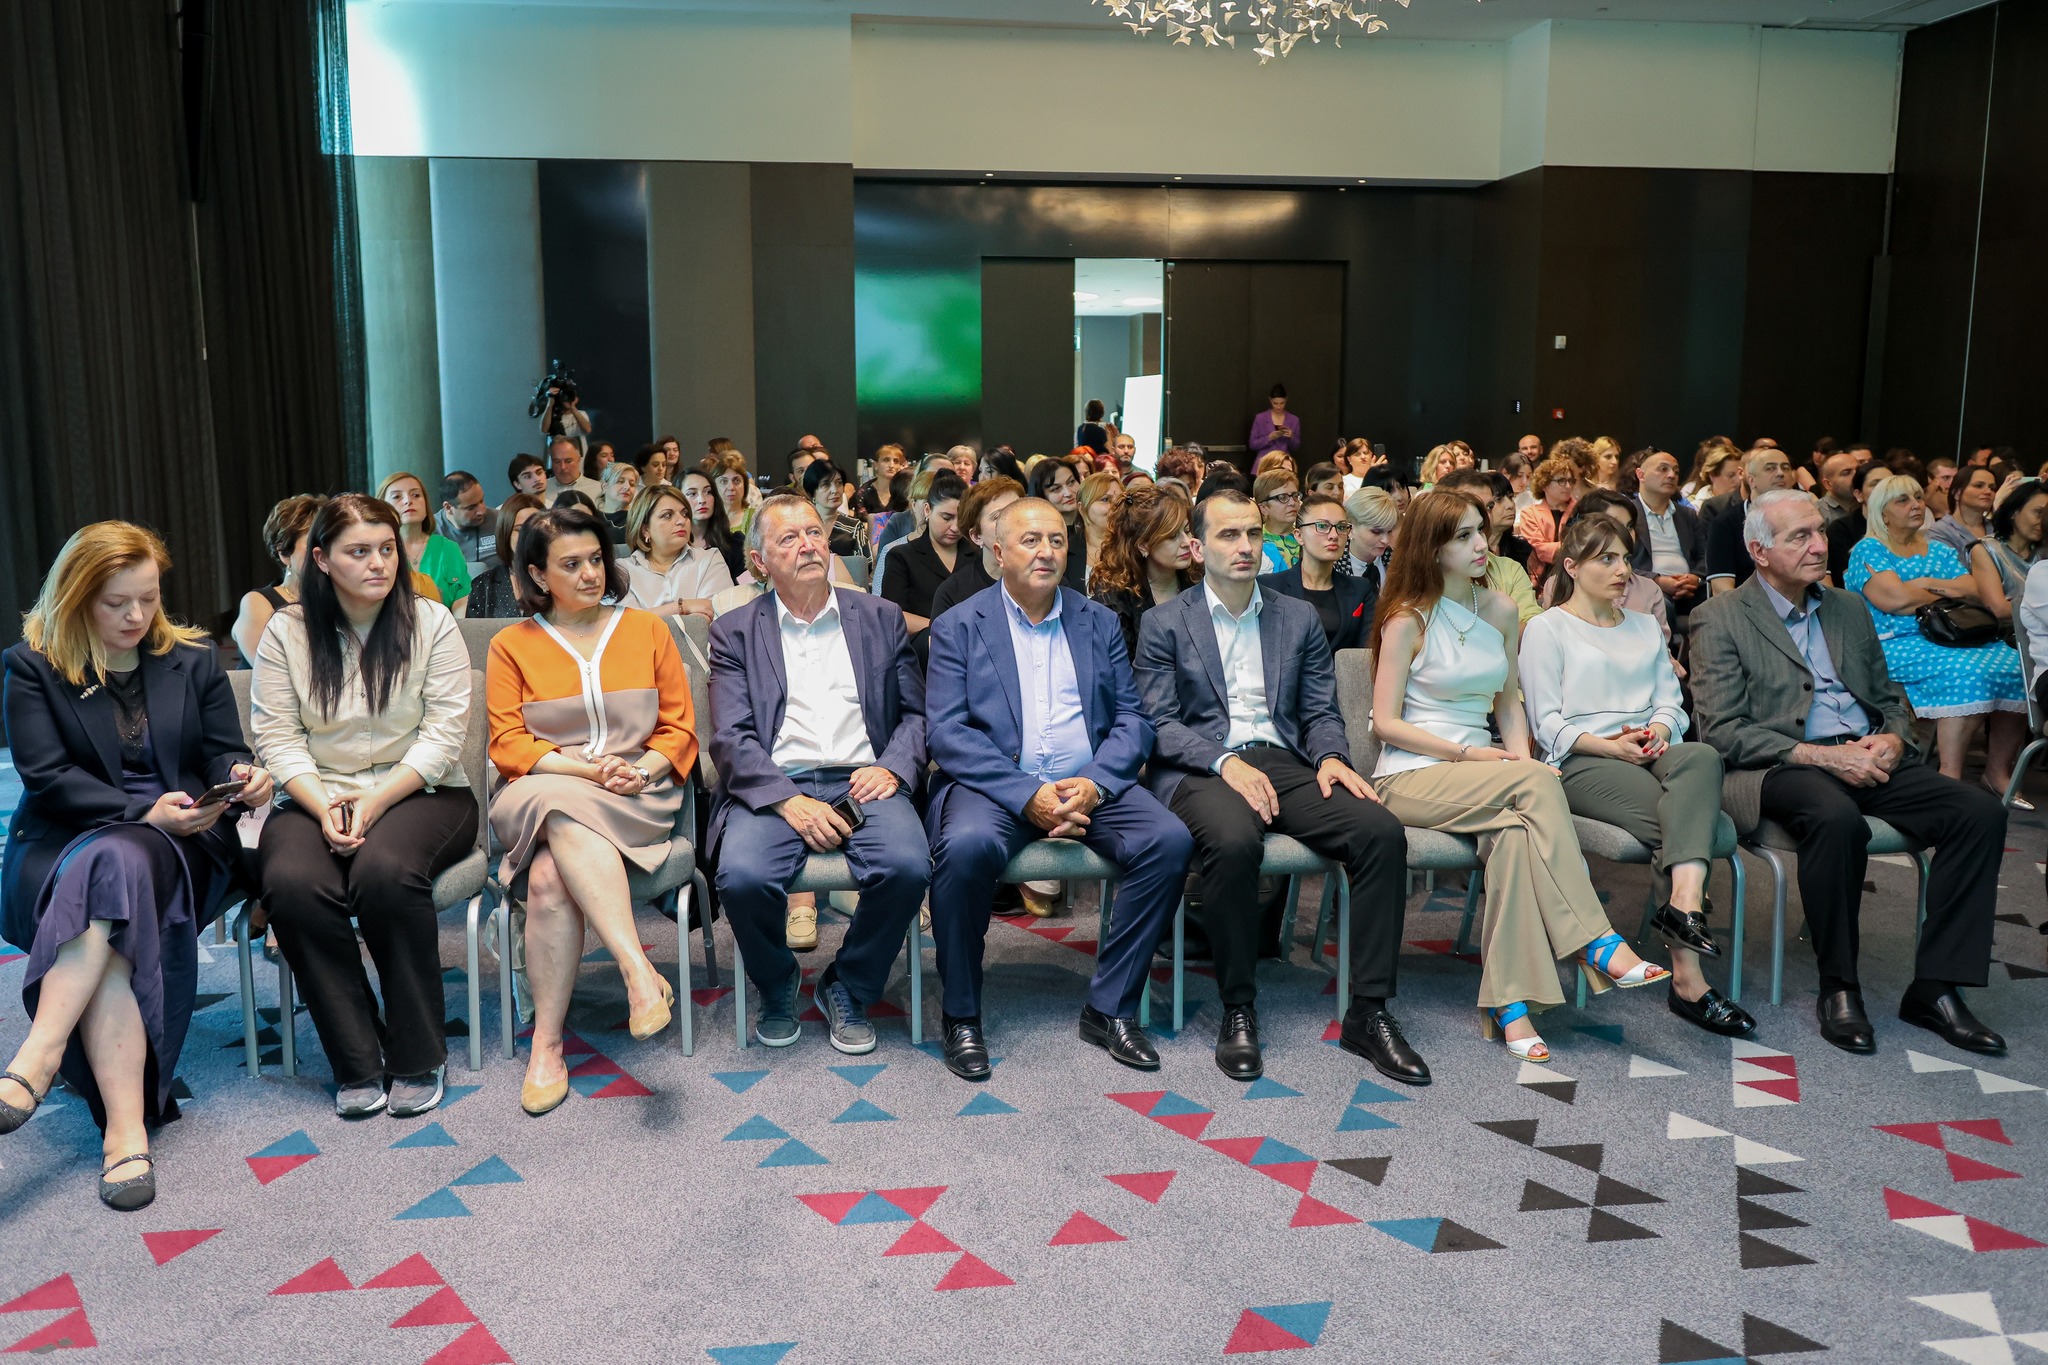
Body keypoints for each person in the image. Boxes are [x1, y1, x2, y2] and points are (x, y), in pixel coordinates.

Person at [1, 523, 271, 1210]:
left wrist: (241, 773)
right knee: (114, 884)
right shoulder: (33, 666)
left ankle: (39, 1056)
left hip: (185, 839)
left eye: (148, 598)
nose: (136, 616)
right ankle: (125, 1131)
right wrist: (138, 811)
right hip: (66, 838)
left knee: (117, 868)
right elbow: (48, 777)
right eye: (116, 602)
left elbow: (220, 749)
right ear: (75, 598)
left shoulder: (193, 658)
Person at [1689, 489, 2008, 1055]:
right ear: (1759, 552)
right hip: (1779, 763)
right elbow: (1722, 731)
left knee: (1978, 811)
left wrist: (1893, 737)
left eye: (1819, 531)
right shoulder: (1719, 617)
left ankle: (1936, 988)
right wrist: (1820, 755)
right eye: (1800, 537)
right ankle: (1839, 987)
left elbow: (1888, 699)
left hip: (1865, 753)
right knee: (1835, 818)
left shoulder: (1846, 607)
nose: (1820, 545)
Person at [1369, 492, 1667, 1064]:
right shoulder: (1407, 617)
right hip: (1410, 775)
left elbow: (1509, 703)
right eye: (1462, 536)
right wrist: (1475, 757)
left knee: (1514, 836)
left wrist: (1516, 760)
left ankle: (1509, 1006)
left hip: (1485, 774)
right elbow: (1385, 723)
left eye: (1480, 531)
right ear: (1431, 548)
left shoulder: (1502, 609)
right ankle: (1595, 939)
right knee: (1535, 783)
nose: (1481, 545)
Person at [1137, 491, 1422, 1084]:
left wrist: (1332, 757)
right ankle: (1238, 1007)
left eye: (1252, 533)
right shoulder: (1164, 622)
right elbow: (1159, 724)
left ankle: (1368, 1012)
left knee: (1379, 831)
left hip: (1284, 760)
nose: (1244, 546)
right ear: (1197, 547)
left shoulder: (1295, 617)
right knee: (1234, 841)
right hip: (1200, 767)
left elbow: (1319, 709)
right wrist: (1224, 762)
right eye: (1227, 535)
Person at [923, 498, 1193, 1080]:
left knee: (1168, 841)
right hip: (996, 786)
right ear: (999, 553)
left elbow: (1133, 719)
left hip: (1086, 781)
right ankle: (961, 1014)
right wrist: (1028, 795)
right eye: (1030, 541)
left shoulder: (1098, 621)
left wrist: (1094, 785)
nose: (1046, 551)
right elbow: (946, 732)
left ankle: (1111, 1008)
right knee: (965, 849)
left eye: (1056, 540)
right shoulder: (960, 625)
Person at [252, 495, 477, 1119]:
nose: (379, 563)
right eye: (359, 552)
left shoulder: (430, 621)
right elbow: (277, 738)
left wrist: (373, 802)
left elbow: (443, 736)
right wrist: (324, 805)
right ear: (322, 560)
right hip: (314, 791)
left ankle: (417, 1053)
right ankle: (356, 1057)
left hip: (423, 790)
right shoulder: (287, 631)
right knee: (290, 881)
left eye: (386, 549)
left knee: (384, 872)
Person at [485, 506, 698, 1114]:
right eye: (571, 564)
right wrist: (585, 772)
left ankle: (547, 1045)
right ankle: (637, 971)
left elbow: (679, 729)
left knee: (548, 879)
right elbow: (509, 745)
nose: (589, 574)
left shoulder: (647, 630)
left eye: (596, 560)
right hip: (543, 789)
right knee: (558, 805)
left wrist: (641, 771)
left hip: (638, 794)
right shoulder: (511, 645)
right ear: (537, 574)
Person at [708, 496, 930, 1053]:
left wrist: (893, 766)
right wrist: (787, 800)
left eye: (813, 532)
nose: (807, 545)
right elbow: (731, 736)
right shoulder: (735, 631)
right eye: (789, 538)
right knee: (742, 876)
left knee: (907, 867)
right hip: (775, 785)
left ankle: (848, 984)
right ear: (759, 561)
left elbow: (916, 715)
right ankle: (777, 980)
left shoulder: (879, 617)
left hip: (865, 779)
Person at [1519, 517, 1755, 1038]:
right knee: (1691, 826)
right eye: (1607, 559)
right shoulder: (1546, 628)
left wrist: (1656, 730)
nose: (1622, 570)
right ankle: (1689, 980)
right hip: (1581, 758)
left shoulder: (1644, 626)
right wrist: (1611, 746)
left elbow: (1672, 703)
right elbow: (1546, 723)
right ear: (1572, 566)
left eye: (1626, 558)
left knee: (1701, 756)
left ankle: (1683, 905)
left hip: (1650, 748)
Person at [1845, 476, 2025, 790]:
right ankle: (1949, 776)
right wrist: (1944, 591)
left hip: (1954, 636)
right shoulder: (1868, 550)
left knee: (2017, 667)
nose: (1916, 505)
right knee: (1966, 672)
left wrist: (1923, 585)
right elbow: (1895, 601)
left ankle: (1996, 772)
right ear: (1882, 513)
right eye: (1903, 500)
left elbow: (1973, 589)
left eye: (1918, 497)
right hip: (1896, 643)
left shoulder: (1938, 548)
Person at [1090, 484, 1199, 662]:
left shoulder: (1198, 578)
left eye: (1186, 530)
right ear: (1143, 545)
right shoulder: (1114, 598)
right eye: (1172, 536)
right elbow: (1119, 668)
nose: (1187, 542)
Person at [1260, 490, 1374, 652]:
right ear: (1299, 536)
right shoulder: (1270, 587)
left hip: (1344, 668)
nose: (1334, 535)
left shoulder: (1360, 589)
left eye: (1341, 527)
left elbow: (1365, 651)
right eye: (1322, 526)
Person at [232, 494, 326, 666]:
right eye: (313, 544)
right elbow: (271, 669)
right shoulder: (257, 603)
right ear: (284, 552)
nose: (323, 552)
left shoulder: (339, 597)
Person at [621, 484, 734, 622]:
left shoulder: (709, 559)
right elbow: (625, 624)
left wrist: (650, 615)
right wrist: (683, 606)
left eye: (685, 514)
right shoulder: (622, 570)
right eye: (667, 515)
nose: (681, 521)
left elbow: (719, 619)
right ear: (645, 529)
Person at [876, 469, 968, 631]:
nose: (955, 527)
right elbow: (892, 615)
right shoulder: (901, 557)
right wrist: (946, 631)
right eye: (946, 518)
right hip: (920, 642)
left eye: (962, 518)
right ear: (927, 510)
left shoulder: (978, 556)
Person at [930, 477, 1025, 627]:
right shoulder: (953, 593)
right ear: (976, 536)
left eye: (1019, 513)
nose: (1015, 523)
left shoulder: (1047, 579)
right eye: (998, 516)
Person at [1705, 447, 1795, 594]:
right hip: (1747, 603)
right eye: (1770, 468)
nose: (1780, 473)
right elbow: (1722, 589)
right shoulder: (1725, 523)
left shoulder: (1804, 519)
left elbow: (1822, 582)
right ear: (1751, 480)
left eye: (1786, 468)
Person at [1628, 448, 1706, 617]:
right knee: (1660, 604)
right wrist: (1656, 580)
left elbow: (1704, 556)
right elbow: (1621, 561)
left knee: (1719, 605)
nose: (1671, 475)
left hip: (1690, 588)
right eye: (1663, 469)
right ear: (1641, 475)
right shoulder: (1627, 513)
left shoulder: (1687, 515)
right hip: (1644, 587)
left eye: (1676, 471)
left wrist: (1696, 578)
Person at [380, 472, 470, 612]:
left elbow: (462, 602)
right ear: (382, 506)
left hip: (446, 624)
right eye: (397, 497)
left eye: (416, 495)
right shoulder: (378, 552)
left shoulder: (448, 548)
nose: (408, 501)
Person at [1969, 478, 2047, 625]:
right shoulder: (1985, 549)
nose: (2042, 522)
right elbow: (1998, 609)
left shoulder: (2043, 551)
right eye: (2038, 512)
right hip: (2006, 632)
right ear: (2014, 512)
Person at [466, 494, 545, 620]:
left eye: (535, 529)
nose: (528, 536)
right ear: (506, 532)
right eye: (519, 530)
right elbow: (475, 632)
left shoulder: (557, 579)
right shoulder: (483, 585)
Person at [1827, 460, 1892, 587]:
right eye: (1876, 484)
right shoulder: (1841, 530)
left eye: (1890, 484)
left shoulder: (1905, 527)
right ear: (1859, 494)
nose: (1884, 489)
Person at [1514, 455, 1577, 587]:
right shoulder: (1529, 513)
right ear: (1545, 484)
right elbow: (1538, 548)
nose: (1568, 486)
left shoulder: (1580, 510)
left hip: (1575, 578)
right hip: (1539, 581)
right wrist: (1573, 548)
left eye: (1571, 481)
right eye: (1561, 481)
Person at [1027, 456, 1089, 591]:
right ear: (1042, 496)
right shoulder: (1038, 540)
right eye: (1056, 489)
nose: (1068, 493)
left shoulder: (1093, 528)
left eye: (1071, 482)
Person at [803, 460, 869, 563]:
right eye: (826, 485)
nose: (835, 490)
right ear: (812, 493)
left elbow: (865, 566)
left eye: (839, 483)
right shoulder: (801, 525)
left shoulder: (853, 527)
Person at [1930, 464, 1999, 558]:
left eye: (1992, 488)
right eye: (1978, 486)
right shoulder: (1940, 532)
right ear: (1957, 493)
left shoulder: (1997, 529)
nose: (1988, 492)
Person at [1337, 486, 1398, 588]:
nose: (1386, 540)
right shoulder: (1332, 566)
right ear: (1350, 528)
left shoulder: (1397, 562)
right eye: (1376, 532)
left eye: (1389, 531)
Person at [1075, 470, 1124, 585]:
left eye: (1121, 500)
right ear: (1082, 508)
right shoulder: (1066, 549)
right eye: (1105, 500)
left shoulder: (1133, 548)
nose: (1116, 506)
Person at [1251, 469, 1302, 572]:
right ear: (1264, 508)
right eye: (1282, 497)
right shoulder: (1254, 541)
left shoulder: (1308, 537)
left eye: (1295, 496)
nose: (1292, 503)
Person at [435, 471, 491, 562]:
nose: (482, 511)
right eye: (471, 508)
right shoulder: (429, 532)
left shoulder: (500, 521)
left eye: (481, 501)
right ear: (448, 507)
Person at [855, 444, 910, 520]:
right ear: (876, 465)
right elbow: (862, 522)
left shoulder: (904, 491)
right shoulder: (863, 493)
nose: (891, 465)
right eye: (886, 460)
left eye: (896, 461)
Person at [545, 437, 603, 508]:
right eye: (557, 462)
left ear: (579, 458)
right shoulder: (542, 489)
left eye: (568, 461)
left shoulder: (598, 490)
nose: (563, 467)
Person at [1250, 384, 1300, 459]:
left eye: (1282, 403)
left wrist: (1292, 437)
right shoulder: (1260, 418)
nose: (1279, 407)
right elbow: (1252, 444)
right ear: (1270, 400)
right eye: (1275, 403)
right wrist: (1268, 438)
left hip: (1284, 460)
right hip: (1264, 460)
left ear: (1286, 400)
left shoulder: (1294, 420)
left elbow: (1295, 447)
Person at [712, 451, 756, 537]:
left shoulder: (755, 518)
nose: (731, 487)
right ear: (714, 486)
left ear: (745, 485)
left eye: (736, 480)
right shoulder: (708, 519)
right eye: (723, 481)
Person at [1816, 451, 1860, 527]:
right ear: (1828, 484)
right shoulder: (1818, 512)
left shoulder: (1869, 503)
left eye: (1858, 470)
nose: (1856, 476)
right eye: (1846, 473)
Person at [600, 461, 641, 540]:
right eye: (620, 481)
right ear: (604, 487)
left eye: (632, 484)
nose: (627, 487)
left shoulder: (639, 520)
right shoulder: (593, 518)